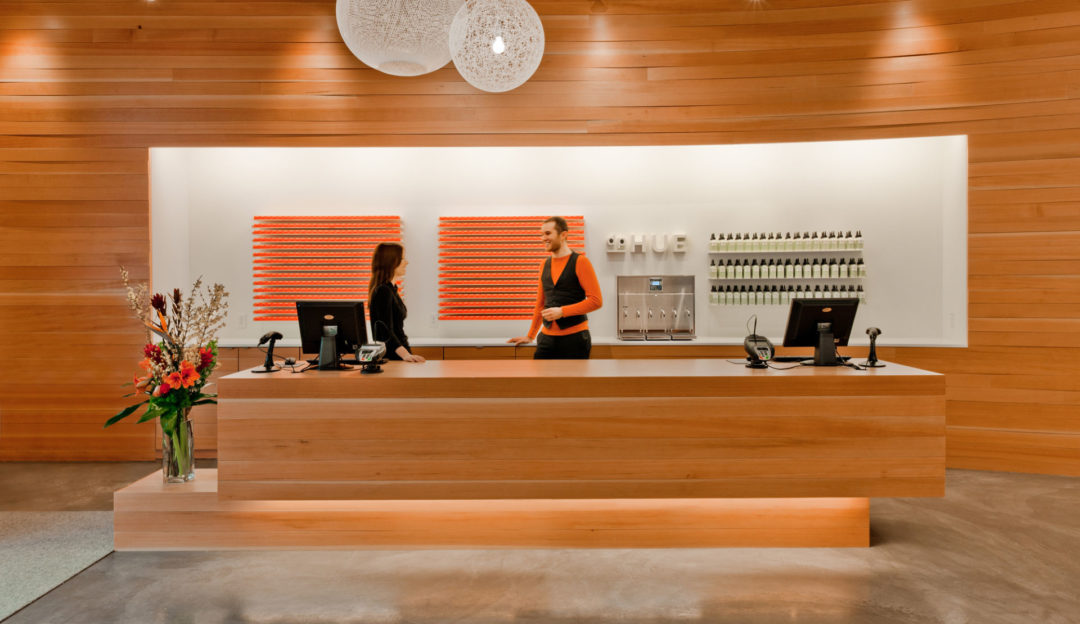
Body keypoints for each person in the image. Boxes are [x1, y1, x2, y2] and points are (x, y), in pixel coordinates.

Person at [508, 216, 602, 359]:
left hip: (575, 339)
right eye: (541, 234)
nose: (543, 238)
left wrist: (562, 311)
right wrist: (530, 335)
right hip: (546, 339)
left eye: (547, 233)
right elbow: (540, 303)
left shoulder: (581, 262)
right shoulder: (544, 265)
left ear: (563, 235)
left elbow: (596, 301)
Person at [368, 242, 425, 363]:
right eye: (403, 258)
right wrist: (405, 355)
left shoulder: (391, 289)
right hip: (394, 356)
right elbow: (386, 331)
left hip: (400, 353)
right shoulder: (383, 291)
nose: (407, 262)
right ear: (391, 262)